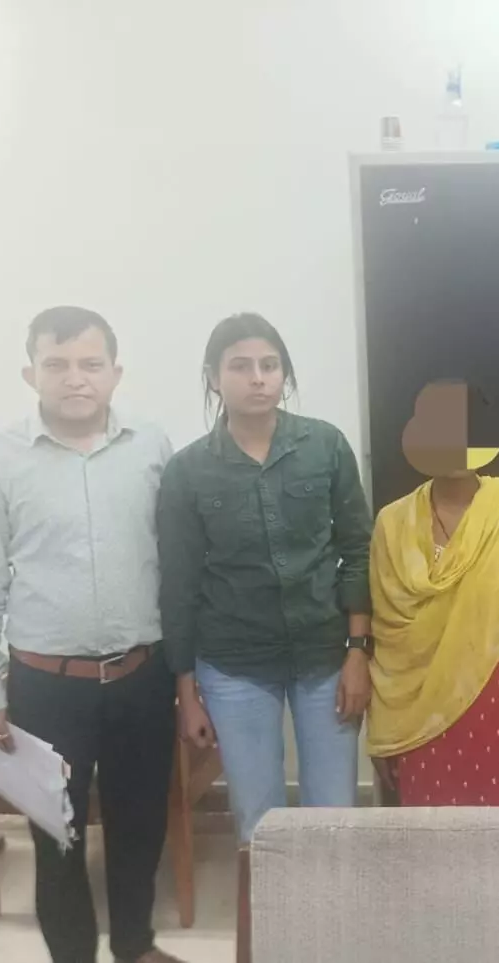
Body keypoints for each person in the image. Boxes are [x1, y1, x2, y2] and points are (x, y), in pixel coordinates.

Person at [0, 306, 181, 963]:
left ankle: (136, 946)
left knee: (141, 824)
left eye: (90, 363)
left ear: (115, 372)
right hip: (45, 685)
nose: (75, 378)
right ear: (31, 374)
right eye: (56, 364)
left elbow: (175, 561)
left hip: (143, 675)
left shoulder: (151, 445)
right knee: (57, 834)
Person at [157, 313, 373, 842]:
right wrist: (186, 691)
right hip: (234, 664)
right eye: (240, 366)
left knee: (334, 817)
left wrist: (358, 652)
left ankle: (327, 899)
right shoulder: (188, 471)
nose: (258, 378)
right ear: (214, 378)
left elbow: (358, 550)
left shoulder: (325, 445)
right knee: (259, 823)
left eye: (270, 365)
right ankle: (274, 901)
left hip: (325, 656)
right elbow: (179, 585)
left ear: (284, 374)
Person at [366, 380, 499, 804]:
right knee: (430, 831)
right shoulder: (393, 524)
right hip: (418, 710)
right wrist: (385, 728)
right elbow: (388, 640)